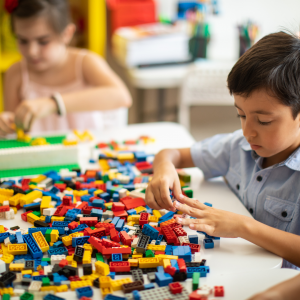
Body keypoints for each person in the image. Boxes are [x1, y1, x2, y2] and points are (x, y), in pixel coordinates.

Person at [145, 31, 300, 269]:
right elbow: (170, 153)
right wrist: (164, 170)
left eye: (264, 121)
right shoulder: (236, 145)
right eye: (241, 114)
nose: (248, 131)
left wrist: (241, 226)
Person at [0, 0, 132, 136]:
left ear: (67, 34)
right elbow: (14, 128)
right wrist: (6, 123)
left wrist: (53, 104)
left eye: (43, 42)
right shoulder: (16, 73)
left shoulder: (85, 63)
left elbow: (121, 96)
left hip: (87, 151)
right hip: (40, 154)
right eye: (23, 41)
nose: (31, 51)